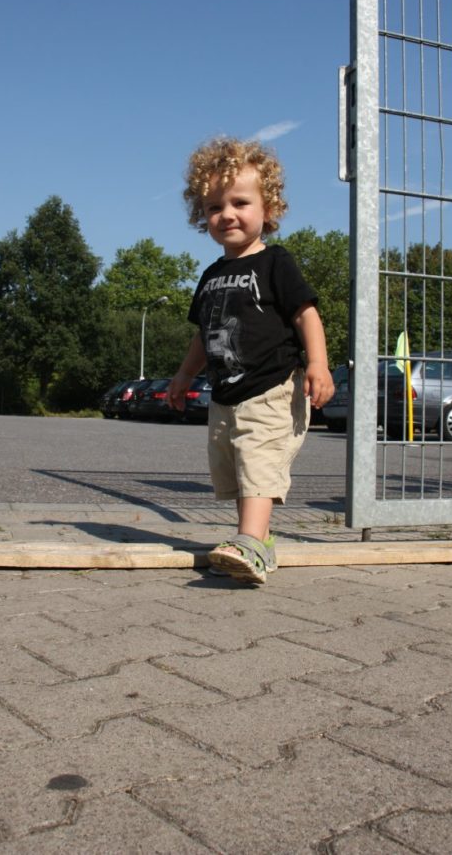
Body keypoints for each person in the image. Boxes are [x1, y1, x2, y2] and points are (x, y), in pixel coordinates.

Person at [168, 137, 334, 584]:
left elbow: (306, 314)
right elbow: (203, 333)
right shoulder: (210, 275)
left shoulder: (275, 262)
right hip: (226, 392)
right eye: (213, 207)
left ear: (269, 208)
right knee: (240, 466)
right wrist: (184, 375)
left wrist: (318, 364)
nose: (227, 214)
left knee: (259, 460)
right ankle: (262, 543)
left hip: (272, 385)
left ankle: (248, 542)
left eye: (240, 203)